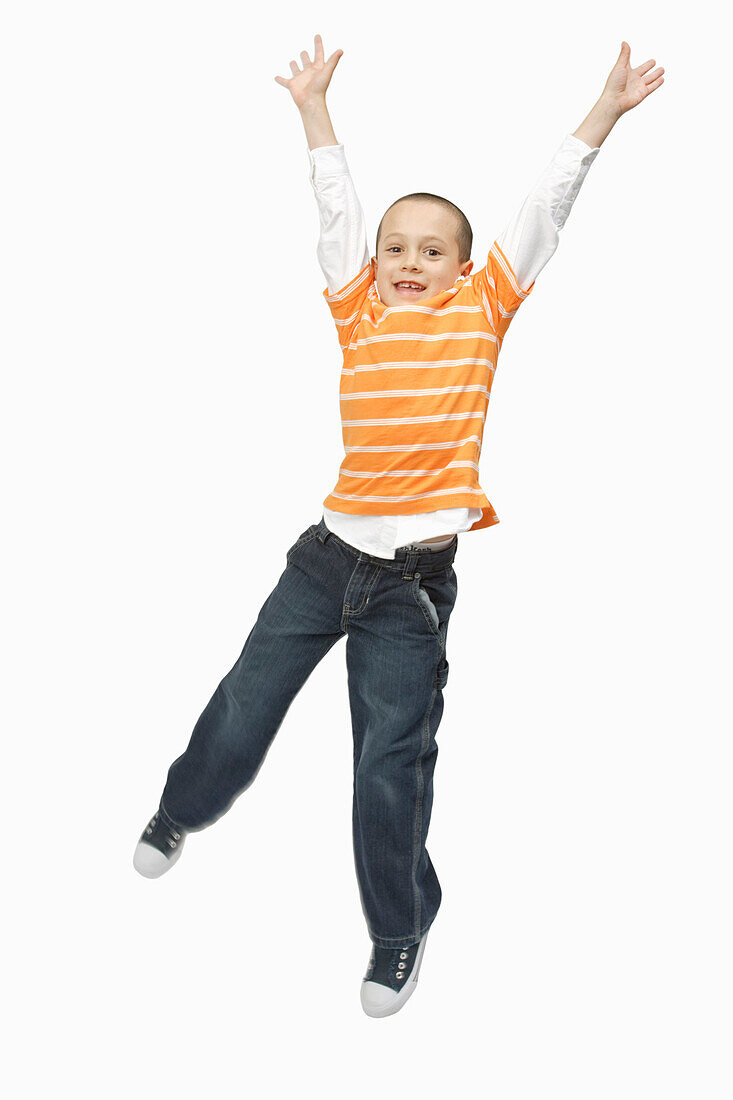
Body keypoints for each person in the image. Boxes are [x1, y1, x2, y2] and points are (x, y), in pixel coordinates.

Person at [133, 35, 664, 1018]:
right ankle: (178, 810)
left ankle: (397, 928)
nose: (409, 261)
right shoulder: (356, 310)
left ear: (465, 269)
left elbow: (540, 210)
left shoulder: (482, 311)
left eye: (432, 251)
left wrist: (602, 115)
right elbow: (336, 208)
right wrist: (314, 111)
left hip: (409, 586)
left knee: (386, 765)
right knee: (243, 707)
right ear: (372, 266)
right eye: (395, 248)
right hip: (321, 556)